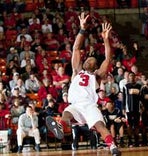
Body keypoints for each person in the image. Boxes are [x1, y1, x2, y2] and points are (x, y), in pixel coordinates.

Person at [46, 13, 121, 156]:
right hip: (75, 104)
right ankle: (60, 126)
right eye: (88, 59)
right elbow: (75, 48)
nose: (90, 60)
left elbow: (108, 58)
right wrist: (81, 29)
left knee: (100, 126)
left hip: (89, 105)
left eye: (92, 60)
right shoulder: (77, 70)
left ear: (95, 66)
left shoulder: (97, 76)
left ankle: (113, 148)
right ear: (85, 62)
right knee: (66, 113)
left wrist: (106, 40)